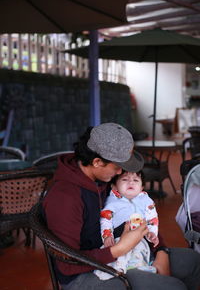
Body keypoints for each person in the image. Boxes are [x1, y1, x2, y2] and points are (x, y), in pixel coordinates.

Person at [43, 122, 200, 290]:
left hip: (122, 251)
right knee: (173, 287)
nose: (120, 173)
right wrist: (119, 249)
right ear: (97, 162)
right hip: (83, 273)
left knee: (193, 261)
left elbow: (137, 211)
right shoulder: (65, 198)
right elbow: (67, 265)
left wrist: (161, 250)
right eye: (117, 167)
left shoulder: (104, 178)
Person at [94, 170, 159, 280]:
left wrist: (152, 232)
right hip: (118, 237)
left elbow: (152, 218)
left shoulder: (146, 201)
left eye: (136, 180)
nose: (131, 183)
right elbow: (105, 219)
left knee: (140, 251)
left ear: (142, 187)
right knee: (118, 255)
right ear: (114, 186)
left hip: (139, 238)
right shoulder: (113, 202)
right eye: (125, 179)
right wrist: (107, 236)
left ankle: (140, 267)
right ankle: (117, 269)